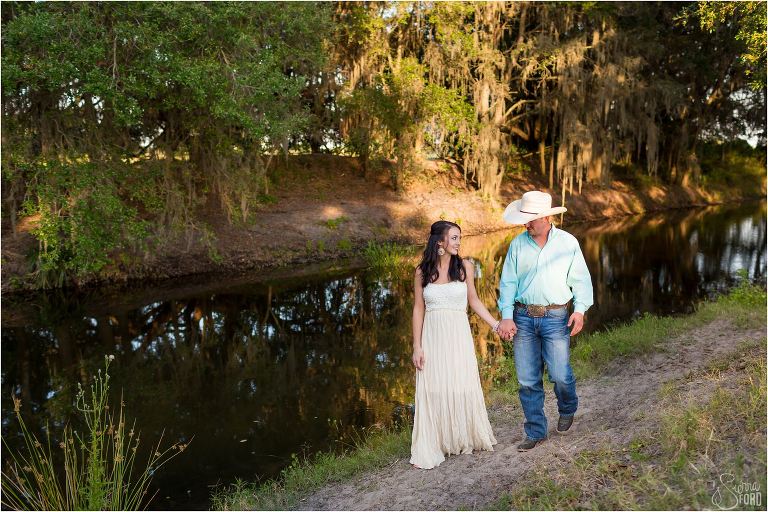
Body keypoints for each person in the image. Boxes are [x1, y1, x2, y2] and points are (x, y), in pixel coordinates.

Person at [496, 190, 593, 452]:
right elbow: (508, 284)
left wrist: (580, 310)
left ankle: (567, 407)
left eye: (531, 219)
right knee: (527, 379)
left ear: (546, 218)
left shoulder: (568, 243)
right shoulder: (517, 245)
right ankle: (536, 431)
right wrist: (506, 316)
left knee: (560, 374)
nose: (526, 224)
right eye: (525, 219)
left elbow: (581, 279)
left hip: (556, 316)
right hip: (523, 317)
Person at [410, 220, 499, 469]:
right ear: (440, 242)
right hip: (433, 335)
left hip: (458, 334)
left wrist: (495, 324)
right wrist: (417, 346)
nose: (459, 242)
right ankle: (437, 441)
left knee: (460, 381)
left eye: (460, 238)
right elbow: (418, 309)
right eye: (454, 238)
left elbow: (474, 301)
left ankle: (462, 435)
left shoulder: (466, 267)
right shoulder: (422, 272)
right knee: (435, 384)